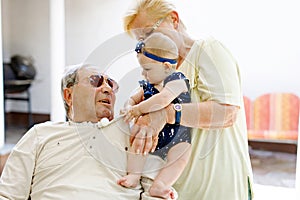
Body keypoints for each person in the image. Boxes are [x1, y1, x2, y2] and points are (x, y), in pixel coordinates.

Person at [122, 0, 253, 199]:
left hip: (219, 190)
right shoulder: (162, 71)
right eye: (142, 40)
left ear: (173, 19)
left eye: (149, 34)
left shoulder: (208, 50)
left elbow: (226, 113)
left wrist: (165, 114)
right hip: (179, 191)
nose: (147, 44)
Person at [0, 64, 174, 200]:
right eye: (96, 81)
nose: (107, 89)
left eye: (111, 84)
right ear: (69, 95)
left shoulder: (135, 134)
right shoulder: (41, 134)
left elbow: (156, 192)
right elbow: (8, 194)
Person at [117, 33, 191, 199]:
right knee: (137, 135)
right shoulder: (148, 86)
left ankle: (161, 185)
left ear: (166, 66)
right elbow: (132, 98)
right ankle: (134, 174)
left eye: (147, 69)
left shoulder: (177, 80)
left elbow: (163, 99)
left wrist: (138, 110)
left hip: (177, 135)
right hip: (150, 132)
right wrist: (129, 106)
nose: (143, 73)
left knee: (181, 156)